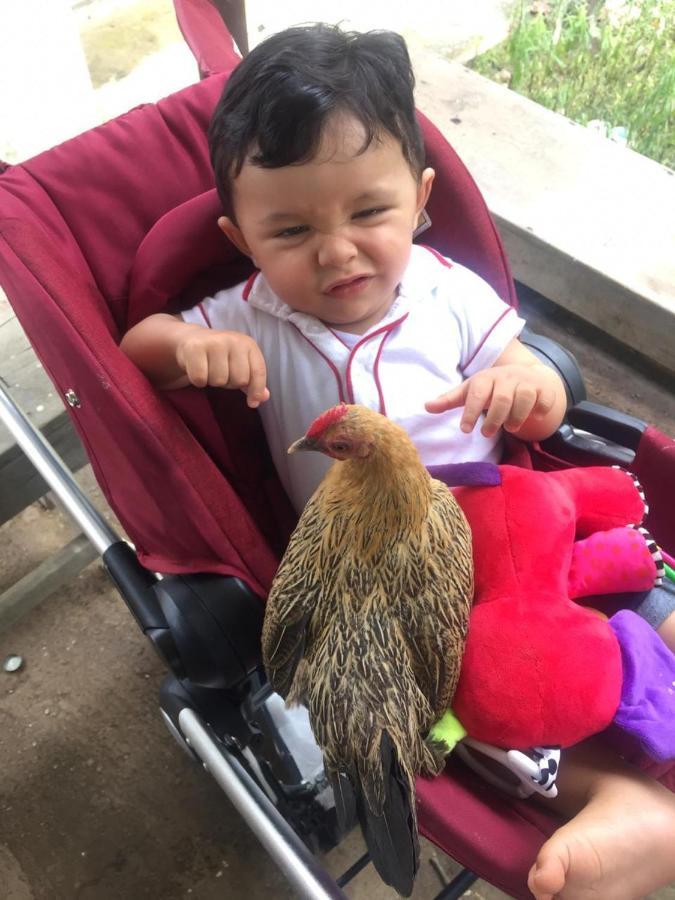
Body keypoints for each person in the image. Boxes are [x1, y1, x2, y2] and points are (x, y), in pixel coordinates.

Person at [121, 24, 675, 899]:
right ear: (242, 238)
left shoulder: (444, 288)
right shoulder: (247, 312)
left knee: (620, 587)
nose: (337, 251)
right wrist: (184, 352)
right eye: (292, 229)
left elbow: (536, 375)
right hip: (380, 577)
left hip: (503, 516)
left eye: (367, 214)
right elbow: (139, 344)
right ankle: (616, 794)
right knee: (449, 706)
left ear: (418, 202)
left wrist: (524, 388)